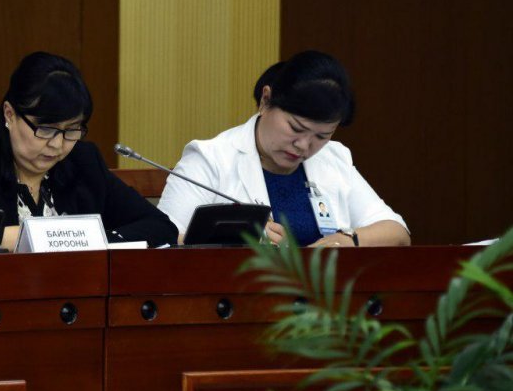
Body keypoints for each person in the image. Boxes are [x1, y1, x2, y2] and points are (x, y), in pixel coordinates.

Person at [0, 52, 178, 255]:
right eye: (45, 129)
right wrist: (19, 238)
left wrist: (90, 239)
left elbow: (160, 226)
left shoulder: (84, 162)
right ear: (10, 114)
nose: (57, 145)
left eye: (72, 130)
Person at [157, 51, 410, 247]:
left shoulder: (333, 157)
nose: (304, 146)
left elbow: (397, 232)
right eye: (295, 128)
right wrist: (233, 240)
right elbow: (160, 240)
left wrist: (346, 240)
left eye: (321, 136)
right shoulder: (210, 158)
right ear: (266, 100)